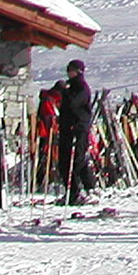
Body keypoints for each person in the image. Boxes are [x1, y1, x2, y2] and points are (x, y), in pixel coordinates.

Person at [54, 58, 93, 205]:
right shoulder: (71, 86)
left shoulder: (81, 87)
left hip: (78, 128)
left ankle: (87, 189)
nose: (68, 73)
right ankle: (72, 192)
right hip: (66, 128)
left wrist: (64, 92)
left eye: (71, 70)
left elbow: (73, 104)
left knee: (77, 161)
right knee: (64, 162)